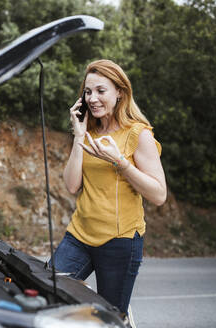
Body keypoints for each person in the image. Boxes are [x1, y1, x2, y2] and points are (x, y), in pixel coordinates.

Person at [52, 59, 167, 320]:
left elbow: (159, 195)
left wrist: (120, 163)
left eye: (101, 91)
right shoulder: (88, 131)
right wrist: (78, 136)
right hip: (79, 236)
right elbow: (72, 185)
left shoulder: (139, 134)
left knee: (108, 319)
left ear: (120, 93)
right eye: (88, 91)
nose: (93, 98)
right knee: (46, 294)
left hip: (120, 241)